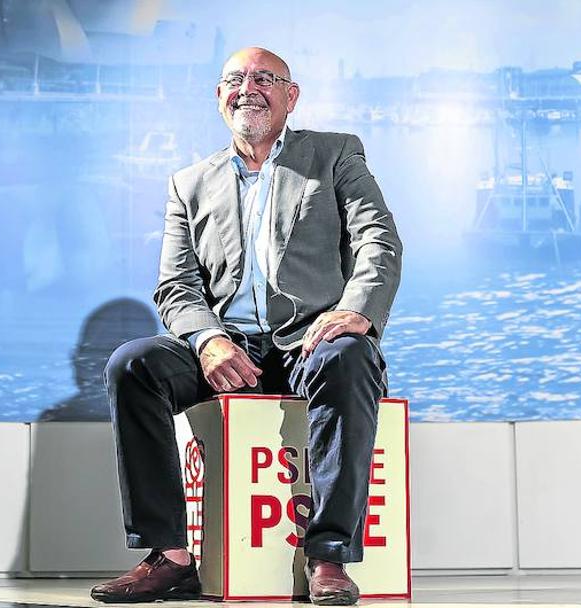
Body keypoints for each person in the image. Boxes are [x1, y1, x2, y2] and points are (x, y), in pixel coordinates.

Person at [91, 47, 402, 606]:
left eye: (264, 78)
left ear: (291, 95)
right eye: (235, 79)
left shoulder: (334, 155)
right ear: (218, 97)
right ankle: (171, 555)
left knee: (350, 354)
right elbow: (175, 286)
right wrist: (208, 340)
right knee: (132, 364)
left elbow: (377, 239)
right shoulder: (188, 182)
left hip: (311, 341)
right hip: (227, 349)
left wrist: (358, 308)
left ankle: (328, 555)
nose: (247, 88)